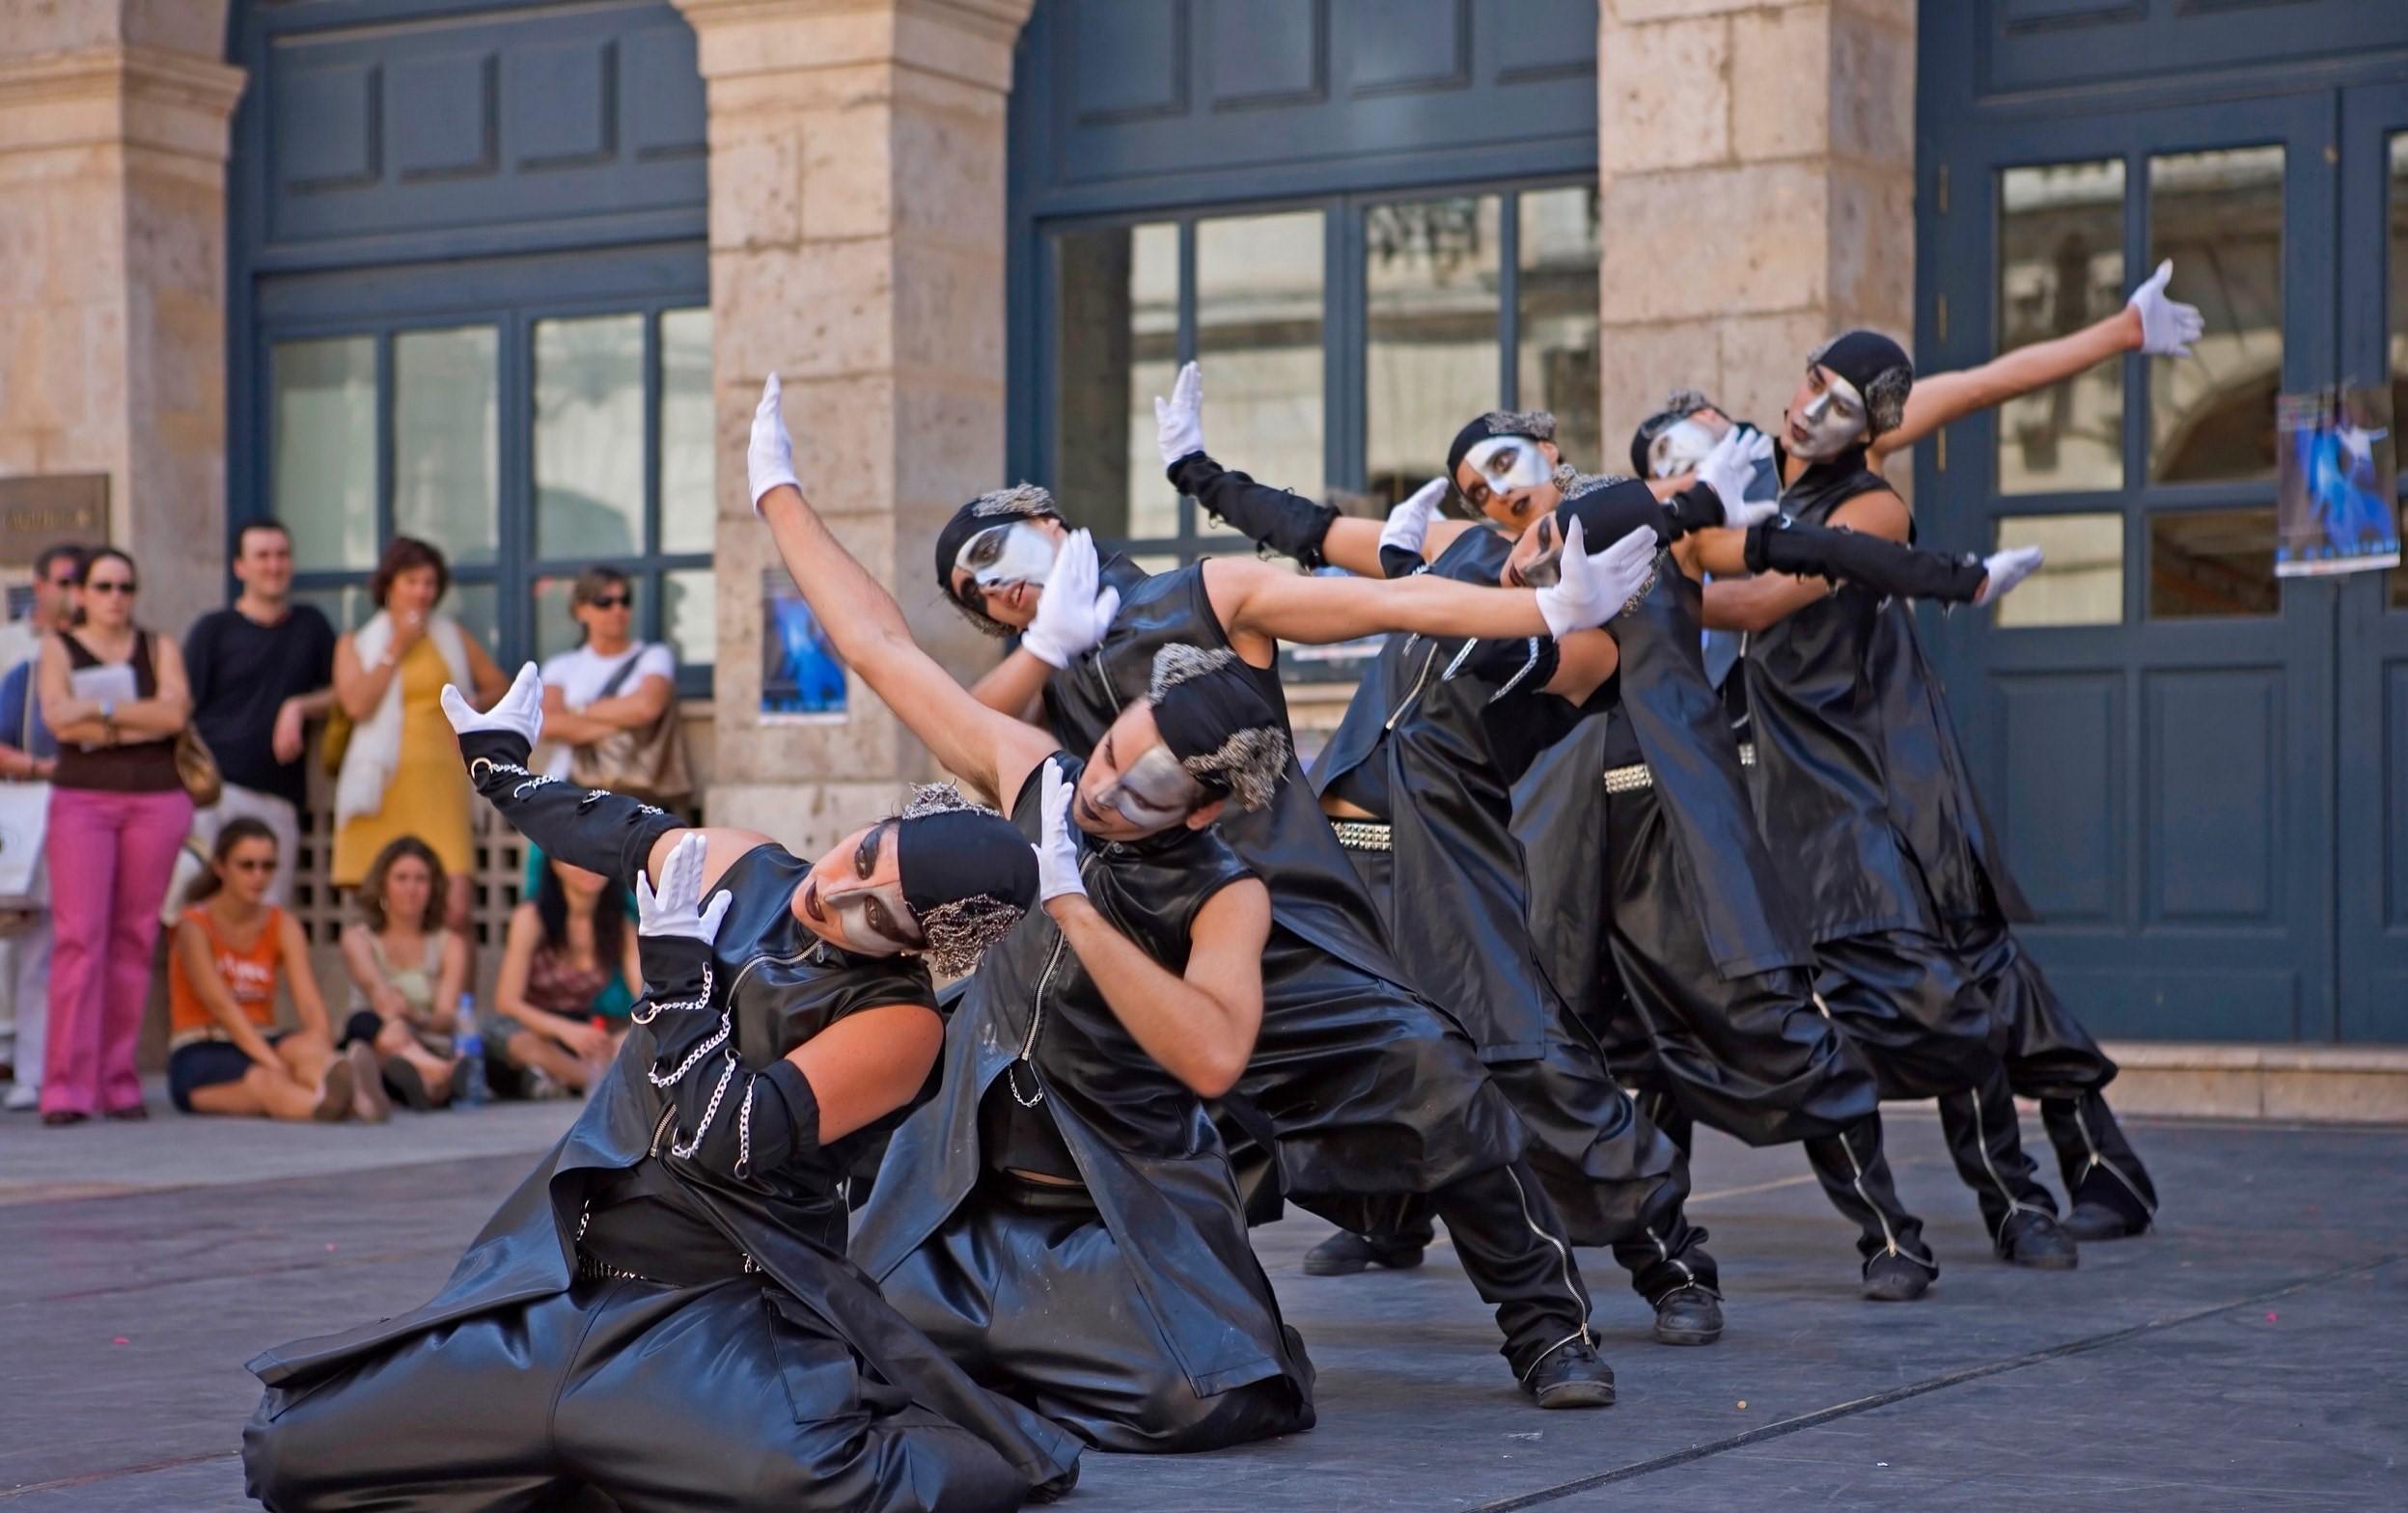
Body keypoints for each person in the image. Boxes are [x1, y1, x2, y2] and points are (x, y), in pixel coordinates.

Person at [762, 375, 1667, 1402]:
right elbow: (923, 698)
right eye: (972, 596)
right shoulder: (1029, 687)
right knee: (984, 1096)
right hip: (1113, 951)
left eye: (990, 556)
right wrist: (1032, 642)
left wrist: (1538, 608)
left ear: (1048, 520)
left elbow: (1388, 600)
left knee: (1438, 1074)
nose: (988, 589)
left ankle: (1548, 1328)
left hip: (1278, 927)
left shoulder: (1205, 593)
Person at [1171, 373, 2034, 1301]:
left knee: (1756, 1028)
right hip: (1554, 829)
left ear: (1549, 450)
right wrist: (1197, 470)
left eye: (1504, 464)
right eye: (1472, 485)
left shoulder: (1650, 528)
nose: (1493, 491)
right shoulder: (1468, 552)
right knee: (1515, 1035)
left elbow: (1808, 544)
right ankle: (1415, 1222)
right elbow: (1311, 532)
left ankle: (1880, 1234)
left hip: (1677, 823)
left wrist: (1960, 578)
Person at [243, 667, 1082, 1512]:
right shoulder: (740, 865)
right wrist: (499, 769)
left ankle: (662, 1444)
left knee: (807, 1485)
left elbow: (728, 1139)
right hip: (568, 1285)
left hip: (710, 1317)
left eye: (880, 913)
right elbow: (607, 831)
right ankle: (599, 1455)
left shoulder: (899, 1023)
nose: (836, 894)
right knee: (287, 1457)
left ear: (921, 945)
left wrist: (680, 988)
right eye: (862, 855)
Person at [755, 438, 1313, 1449]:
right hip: (960, 1201)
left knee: (1209, 1398)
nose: (1100, 788)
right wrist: (777, 491)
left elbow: (1214, 1053)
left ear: (1199, 811)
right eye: (1106, 752)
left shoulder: (1226, 894)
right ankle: (973, 1364)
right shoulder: (1043, 775)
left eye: (1142, 789)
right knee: (815, 1346)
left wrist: (1077, 911)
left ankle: (1001, 1375)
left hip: (1106, 1223)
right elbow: (881, 649)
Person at [1697, 323, 2170, 1249]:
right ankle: (2083, 1174)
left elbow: (1753, 600)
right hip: (1823, 767)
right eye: (1808, 382)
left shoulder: (1866, 505)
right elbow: (1985, 378)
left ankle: (2036, 1190)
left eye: (1835, 399)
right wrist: (2121, 330)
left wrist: (1627, 587)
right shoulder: (1772, 474)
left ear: (1868, 423)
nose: (1803, 407)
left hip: (1883, 762)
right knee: (1973, 976)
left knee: (1966, 973)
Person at [35, 548, 192, 1125]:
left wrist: (96, 715)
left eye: (124, 586)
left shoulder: (159, 647)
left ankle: (118, 1080)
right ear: (81, 594)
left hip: (156, 800)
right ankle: (66, 1087)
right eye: (101, 586)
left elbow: (174, 715)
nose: (114, 597)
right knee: (80, 942)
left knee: (134, 940)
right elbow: (56, 717)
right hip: (83, 801)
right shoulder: (58, 647)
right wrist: (132, 712)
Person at [329, 536, 510, 930]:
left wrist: (470, 705)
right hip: (382, 784)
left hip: (440, 783)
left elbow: (500, 685)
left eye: (429, 583)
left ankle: (459, 996)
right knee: (378, 913)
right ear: (389, 585)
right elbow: (357, 704)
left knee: (455, 908)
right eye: (412, 581)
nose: (422, 591)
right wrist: (397, 645)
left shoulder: (451, 636)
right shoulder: (356, 642)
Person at [169, 818, 382, 1122]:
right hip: (203, 1047)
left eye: (268, 866)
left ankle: (345, 1089)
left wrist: (321, 1045)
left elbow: (309, 1002)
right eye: (247, 865)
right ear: (220, 867)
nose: (259, 876)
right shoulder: (194, 925)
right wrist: (274, 1063)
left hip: (263, 1036)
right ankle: (336, 1103)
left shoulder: (283, 923)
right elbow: (222, 1007)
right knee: (267, 1081)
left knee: (308, 1051)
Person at [183, 521, 337, 906]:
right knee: (197, 909)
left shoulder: (310, 625)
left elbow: (345, 693)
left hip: (278, 797)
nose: (274, 565)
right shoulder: (213, 630)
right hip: (215, 795)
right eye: (262, 556)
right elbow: (181, 709)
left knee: (266, 913)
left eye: (282, 555)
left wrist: (298, 706)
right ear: (240, 567)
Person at [0, 543, 76, 1113]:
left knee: (45, 949)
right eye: (67, 582)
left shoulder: (102, 656)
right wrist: (39, 768)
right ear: (42, 585)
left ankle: (38, 1069)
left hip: (77, 812)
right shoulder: (18, 657)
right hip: (21, 810)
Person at [487, 853, 642, 1096]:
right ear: (555, 865)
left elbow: (645, 998)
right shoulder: (531, 918)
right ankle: (595, 1082)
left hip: (587, 1031)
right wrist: (566, 1031)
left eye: (596, 857)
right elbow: (506, 1002)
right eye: (576, 857)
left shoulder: (619, 925)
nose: (589, 867)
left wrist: (626, 1035)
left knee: (637, 1039)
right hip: (535, 1028)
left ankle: (564, 1080)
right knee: (514, 1042)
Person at [338, 836, 468, 1110]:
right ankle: (435, 1074)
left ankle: (418, 1078)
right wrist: (395, 1017)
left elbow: (446, 1017)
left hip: (427, 1038)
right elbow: (376, 990)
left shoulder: (451, 944)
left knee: (395, 1042)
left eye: (421, 879)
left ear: (433, 888)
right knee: (365, 1023)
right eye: (402, 878)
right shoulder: (358, 938)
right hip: (374, 1037)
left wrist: (414, 1015)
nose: (411, 889)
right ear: (383, 884)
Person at [537, 565, 680, 790]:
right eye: (604, 602)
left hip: (632, 788)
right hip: (567, 784)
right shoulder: (560, 666)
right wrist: (625, 720)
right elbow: (548, 725)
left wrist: (577, 711)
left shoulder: (654, 656)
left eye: (625, 601)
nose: (617, 610)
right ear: (580, 610)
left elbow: (647, 707)